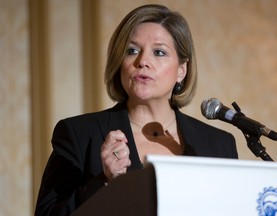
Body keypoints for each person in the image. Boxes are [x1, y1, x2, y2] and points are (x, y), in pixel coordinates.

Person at [35, 4, 238, 215]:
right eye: (132, 51)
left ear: (181, 70)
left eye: (159, 52)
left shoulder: (219, 144)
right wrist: (103, 183)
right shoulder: (80, 134)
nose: (143, 62)